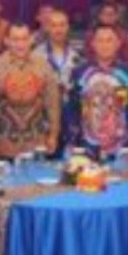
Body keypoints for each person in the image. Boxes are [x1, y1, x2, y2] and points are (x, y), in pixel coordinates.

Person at [69, 24, 128, 158]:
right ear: (93, 44)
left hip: (122, 148)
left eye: (109, 40)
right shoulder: (80, 74)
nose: (105, 45)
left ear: (118, 44)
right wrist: (72, 141)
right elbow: (72, 110)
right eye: (100, 40)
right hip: (86, 147)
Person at [0, 23, 61, 158]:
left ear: (31, 40)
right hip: (4, 142)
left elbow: (52, 103)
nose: (20, 44)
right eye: (15, 39)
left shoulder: (43, 65)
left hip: (37, 141)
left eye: (24, 39)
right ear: (7, 41)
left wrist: (53, 135)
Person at [34, 8, 82, 155]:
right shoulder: (36, 55)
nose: (58, 29)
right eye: (54, 25)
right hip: (44, 117)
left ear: (68, 27)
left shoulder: (78, 55)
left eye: (62, 25)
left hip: (72, 117)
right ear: (47, 28)